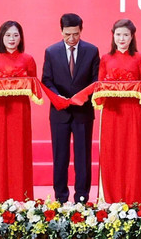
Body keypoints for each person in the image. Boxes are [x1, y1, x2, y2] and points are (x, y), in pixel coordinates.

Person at [41, 13, 100, 203]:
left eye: (75, 34)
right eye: (67, 34)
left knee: (83, 157)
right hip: (60, 112)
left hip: (83, 111)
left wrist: (82, 96)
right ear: (61, 31)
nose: (72, 38)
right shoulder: (51, 51)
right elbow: (47, 80)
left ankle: (82, 196)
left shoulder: (92, 51)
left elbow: (96, 80)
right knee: (60, 157)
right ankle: (60, 197)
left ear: (81, 30)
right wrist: (58, 96)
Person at [97, 19, 141, 204]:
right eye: (118, 34)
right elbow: (100, 85)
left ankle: (134, 197)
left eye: (126, 35)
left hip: (132, 112)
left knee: (131, 153)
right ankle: (110, 199)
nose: (122, 38)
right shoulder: (105, 58)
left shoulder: (139, 58)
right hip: (111, 112)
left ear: (132, 37)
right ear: (113, 36)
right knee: (112, 152)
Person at [0, 20, 36, 201]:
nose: (12, 39)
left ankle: (21, 198)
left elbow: (34, 85)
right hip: (0, 111)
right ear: (1, 37)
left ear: (21, 37)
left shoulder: (28, 59)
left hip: (21, 112)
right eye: (8, 35)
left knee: (19, 151)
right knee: (0, 151)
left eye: (15, 35)